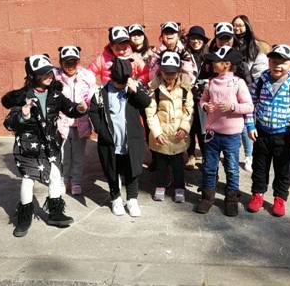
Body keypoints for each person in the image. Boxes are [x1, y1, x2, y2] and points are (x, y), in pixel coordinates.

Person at [2, 54, 87, 237]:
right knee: (28, 179)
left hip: (51, 144)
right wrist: (23, 116)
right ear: (32, 76)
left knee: (55, 175)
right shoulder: (23, 97)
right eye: (43, 73)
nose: (49, 76)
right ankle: (24, 217)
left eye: (50, 72)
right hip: (29, 147)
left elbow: (69, 108)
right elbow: (9, 123)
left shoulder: (55, 94)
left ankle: (55, 213)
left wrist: (79, 109)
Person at [245, 44, 290, 217]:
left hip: (284, 135)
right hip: (262, 133)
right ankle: (257, 194)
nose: (277, 66)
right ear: (269, 62)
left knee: (284, 168)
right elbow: (249, 106)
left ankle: (280, 198)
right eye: (274, 61)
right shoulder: (260, 82)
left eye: (283, 63)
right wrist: (250, 126)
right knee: (259, 167)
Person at [88, 58, 151, 217]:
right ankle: (115, 198)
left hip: (131, 141)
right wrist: (101, 130)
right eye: (118, 83)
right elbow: (93, 112)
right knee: (112, 170)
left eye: (124, 83)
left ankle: (132, 200)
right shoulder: (101, 92)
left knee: (132, 170)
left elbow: (146, 102)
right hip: (110, 142)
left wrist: (135, 89)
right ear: (111, 78)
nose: (121, 86)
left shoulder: (132, 88)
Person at [195, 46, 254, 217]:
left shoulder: (238, 83)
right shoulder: (211, 83)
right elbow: (203, 100)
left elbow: (249, 106)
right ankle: (207, 197)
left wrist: (233, 107)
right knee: (209, 167)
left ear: (227, 64)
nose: (213, 64)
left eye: (217, 61)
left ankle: (231, 200)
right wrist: (205, 106)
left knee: (232, 168)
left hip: (232, 136)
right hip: (212, 134)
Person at [146, 51, 194, 203]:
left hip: (178, 135)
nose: (169, 76)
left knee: (178, 164)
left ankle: (179, 187)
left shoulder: (185, 88)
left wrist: (184, 128)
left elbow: (189, 110)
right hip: (161, 135)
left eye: (173, 72)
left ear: (178, 71)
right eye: (166, 72)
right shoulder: (154, 88)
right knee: (161, 163)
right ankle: (160, 185)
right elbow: (151, 112)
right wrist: (157, 132)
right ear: (161, 70)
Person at [231, 15, 271, 173]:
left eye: (240, 25)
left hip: (248, 90)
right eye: (235, 25)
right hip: (230, 90)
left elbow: (260, 72)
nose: (237, 28)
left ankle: (249, 156)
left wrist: (251, 90)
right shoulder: (230, 44)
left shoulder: (255, 46)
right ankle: (234, 154)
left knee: (246, 124)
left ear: (247, 26)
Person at [54, 46, 96, 196]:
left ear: (78, 61)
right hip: (62, 123)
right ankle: (63, 180)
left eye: (73, 62)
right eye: (67, 62)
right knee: (63, 155)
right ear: (61, 62)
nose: (70, 66)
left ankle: (76, 181)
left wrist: (88, 105)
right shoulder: (55, 77)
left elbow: (92, 95)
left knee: (78, 156)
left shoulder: (87, 76)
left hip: (81, 123)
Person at [184, 26, 209, 170]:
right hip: (188, 96)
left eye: (199, 38)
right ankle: (191, 155)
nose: (195, 41)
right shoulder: (184, 56)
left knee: (203, 128)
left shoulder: (209, 57)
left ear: (203, 41)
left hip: (204, 97)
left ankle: (206, 156)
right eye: (193, 38)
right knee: (190, 127)